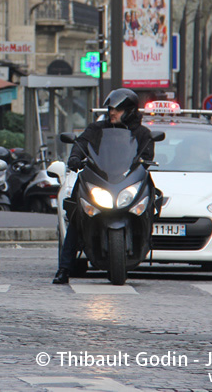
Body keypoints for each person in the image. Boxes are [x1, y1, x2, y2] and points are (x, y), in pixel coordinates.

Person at [52, 88, 155, 284]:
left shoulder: (142, 133)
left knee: (152, 197)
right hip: (100, 180)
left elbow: (147, 155)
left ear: (130, 111)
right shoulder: (97, 129)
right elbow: (82, 142)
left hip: (127, 181)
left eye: (118, 109)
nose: (112, 113)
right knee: (76, 214)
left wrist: (145, 159)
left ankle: (146, 235)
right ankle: (64, 268)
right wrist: (75, 157)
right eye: (110, 109)